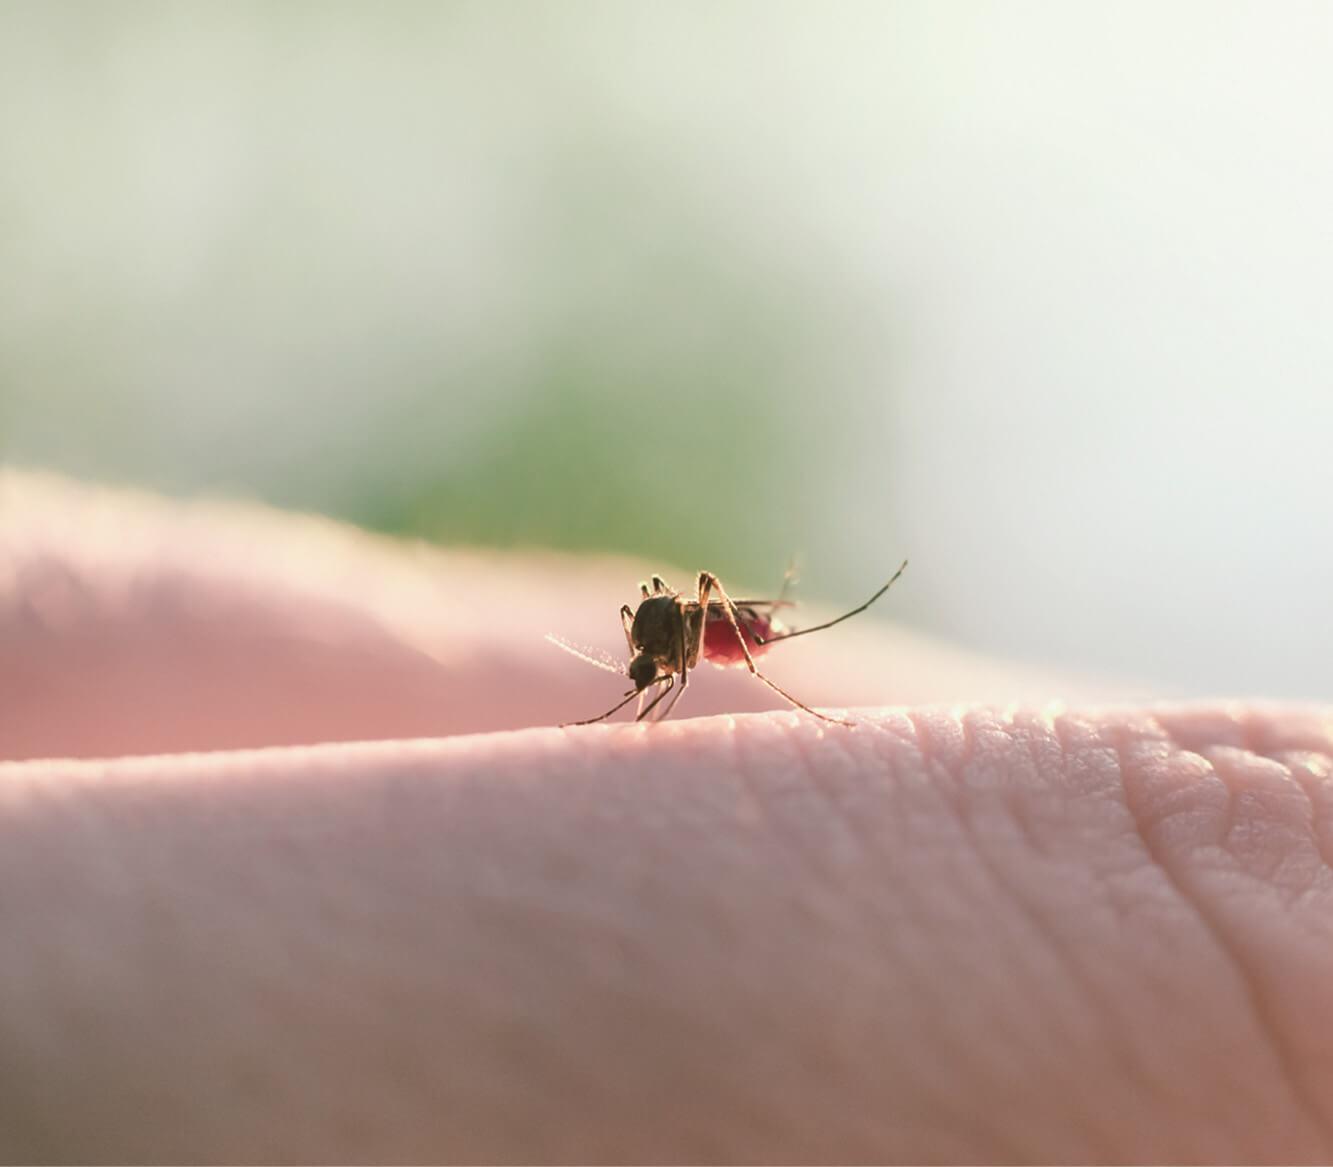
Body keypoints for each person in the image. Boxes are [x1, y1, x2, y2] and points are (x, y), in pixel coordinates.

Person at [2, 473, 1330, 1162]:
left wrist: (731, 645)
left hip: (726, 623)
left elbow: (675, 638)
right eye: (659, 665)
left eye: (656, 664)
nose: (652, 674)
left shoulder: (684, 637)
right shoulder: (662, 642)